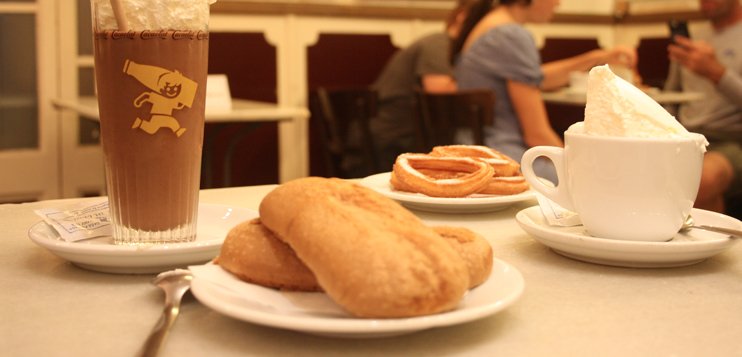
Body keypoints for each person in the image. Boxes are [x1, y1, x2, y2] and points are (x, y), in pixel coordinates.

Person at [451, 0, 636, 182]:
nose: (558, 4)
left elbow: (537, 78)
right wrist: (583, 169)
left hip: (478, 152)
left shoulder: (489, 25)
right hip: (505, 158)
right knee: (606, 180)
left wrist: (597, 58)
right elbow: (536, 135)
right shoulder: (510, 35)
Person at [370, 0, 477, 171]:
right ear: (463, 17)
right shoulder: (439, 43)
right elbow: (438, 88)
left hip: (395, 135)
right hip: (393, 138)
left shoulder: (443, 45)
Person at [665, 0, 742, 215]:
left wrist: (716, 72)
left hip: (730, 139)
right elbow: (672, 96)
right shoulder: (692, 38)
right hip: (685, 135)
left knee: (701, 179)